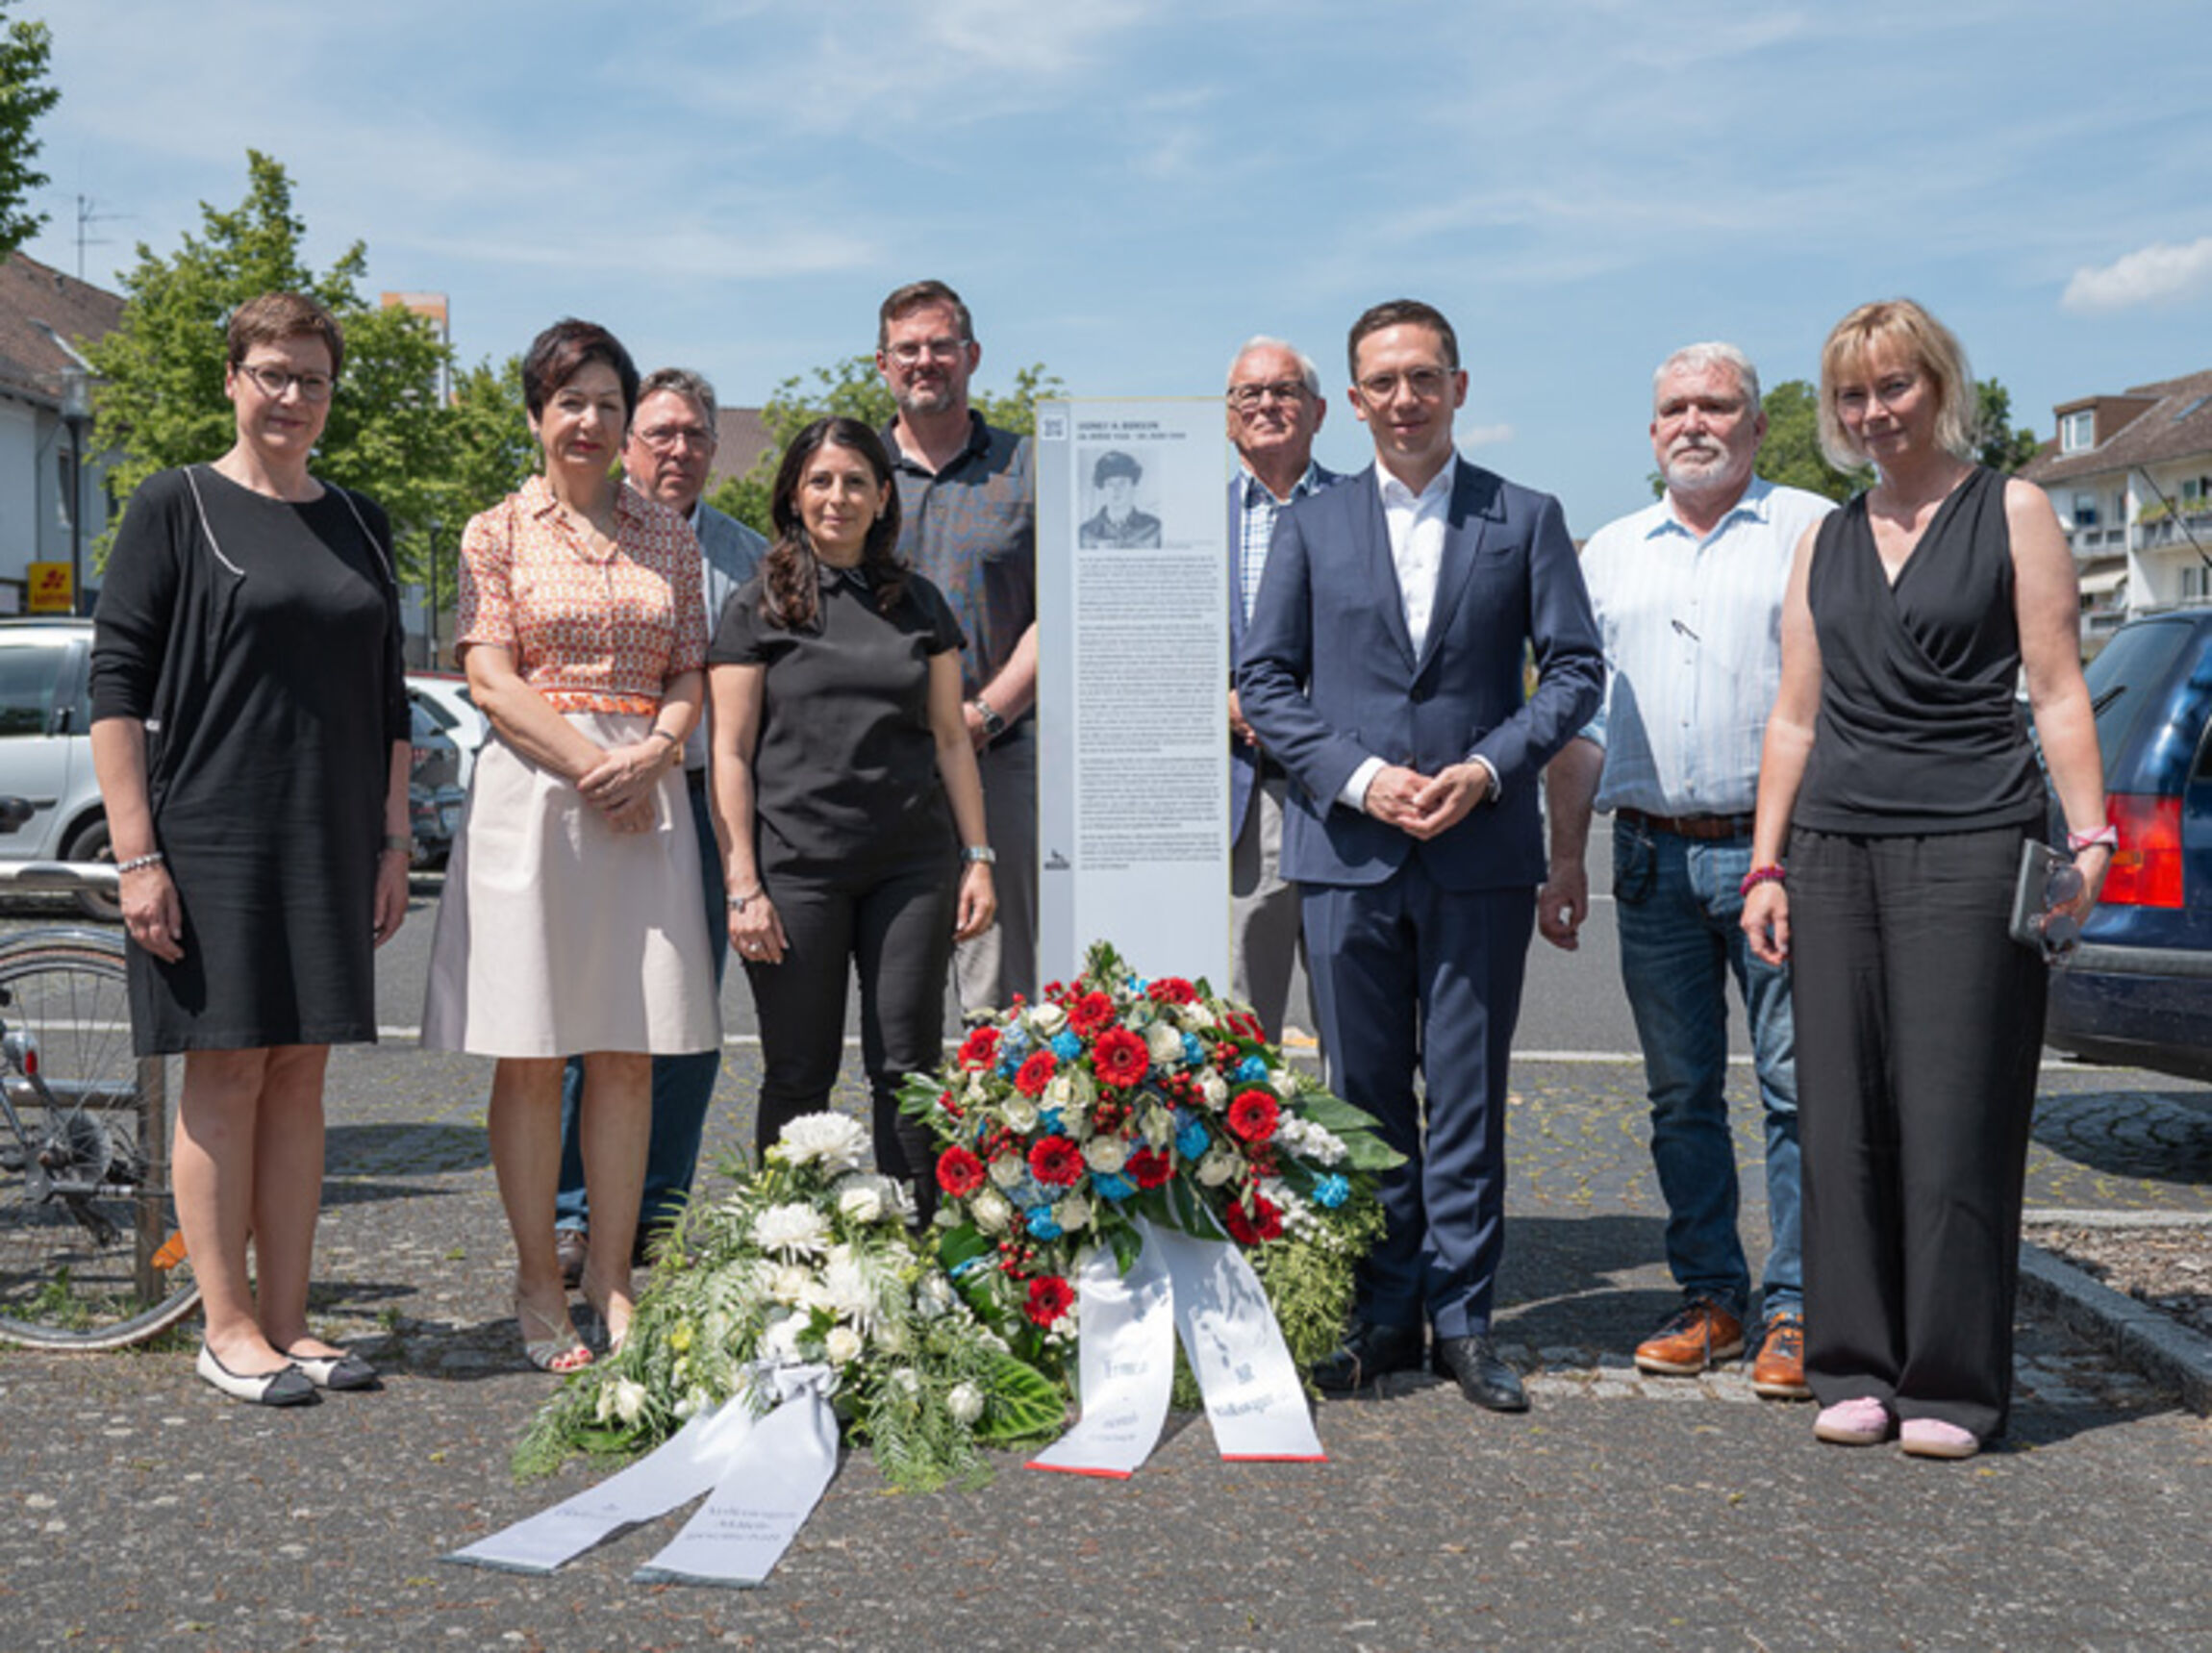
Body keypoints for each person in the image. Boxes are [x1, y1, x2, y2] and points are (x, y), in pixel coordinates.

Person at [1742, 299, 2108, 1460]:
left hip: (1971, 837)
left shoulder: (2012, 509)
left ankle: (1950, 1383)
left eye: (1892, 387)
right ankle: (1851, 1365)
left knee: (1955, 1113)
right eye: (1851, 395)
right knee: (1840, 1113)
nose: (1871, 412)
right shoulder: (1825, 536)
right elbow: (1794, 715)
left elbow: (2053, 688)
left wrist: (2089, 843)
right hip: (1834, 845)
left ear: (1936, 384)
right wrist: (1765, 861)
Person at [1239, 299, 1603, 1413]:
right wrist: (1358, 777)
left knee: (1464, 1093)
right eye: (1380, 383)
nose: (1402, 399)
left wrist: (1487, 770)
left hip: (1477, 851)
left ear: (1456, 386)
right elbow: (1265, 684)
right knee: (1359, 1099)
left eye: (1421, 378)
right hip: (1346, 850)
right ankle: (1380, 1314)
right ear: (1350, 401)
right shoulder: (1308, 524)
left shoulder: (1524, 516)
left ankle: (1461, 1319)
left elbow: (1577, 673)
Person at [89, 291, 411, 1406]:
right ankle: (224, 1328)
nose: (292, 397)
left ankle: (290, 1320)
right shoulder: (175, 506)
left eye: (312, 379)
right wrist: (138, 857)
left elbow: (389, 703)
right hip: (214, 827)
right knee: (225, 1069)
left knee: (302, 1073)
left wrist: (390, 839)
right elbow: (115, 688)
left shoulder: (361, 519)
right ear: (233, 379)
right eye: (272, 373)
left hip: (329, 832)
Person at [1537, 343, 1834, 1399]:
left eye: (1716, 406)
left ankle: (1798, 1308)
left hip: (1779, 861)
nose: (1693, 423)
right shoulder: (1608, 553)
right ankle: (1711, 1295)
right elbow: (1577, 723)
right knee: (1678, 1098)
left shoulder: (1809, 529)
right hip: (1651, 858)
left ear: (1755, 426)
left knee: (1799, 1093)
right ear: (1650, 430)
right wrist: (1566, 856)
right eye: (1673, 408)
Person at [422, 319, 718, 1373]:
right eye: (568, 401)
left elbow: (690, 668)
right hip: (539, 798)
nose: (588, 420)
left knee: (629, 1051)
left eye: (605, 402)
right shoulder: (495, 530)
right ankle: (538, 1278)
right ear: (537, 415)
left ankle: (614, 1276)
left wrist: (656, 753)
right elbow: (492, 677)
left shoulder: (669, 536)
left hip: (645, 791)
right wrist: (596, 769)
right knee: (536, 1052)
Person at [708, 416, 995, 1217]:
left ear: (882, 497)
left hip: (911, 868)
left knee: (906, 1065)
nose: (839, 497)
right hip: (795, 870)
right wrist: (743, 884)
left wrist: (979, 857)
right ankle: (787, 1253)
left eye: (856, 481)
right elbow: (728, 751)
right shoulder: (755, 607)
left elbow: (949, 738)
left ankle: (914, 1252)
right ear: (795, 495)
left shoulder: (919, 603)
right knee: (798, 1068)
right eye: (822, 481)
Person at [552, 368, 767, 1290]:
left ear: (716, 449)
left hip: (697, 800)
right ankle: (571, 1212)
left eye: (695, 436)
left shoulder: (752, 557)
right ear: (627, 442)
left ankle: (656, 1211)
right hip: (592, 796)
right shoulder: (582, 536)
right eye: (661, 433)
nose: (678, 451)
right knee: (582, 1019)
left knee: (686, 1020)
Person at [875, 280, 1035, 1014]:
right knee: (892, 996)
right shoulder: (851, 474)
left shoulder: (1028, 468)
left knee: (998, 998)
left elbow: (1060, 613)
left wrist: (984, 716)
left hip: (997, 756)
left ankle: (998, 1136)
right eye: (908, 348)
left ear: (971, 355)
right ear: (883, 363)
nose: (925, 360)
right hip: (880, 763)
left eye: (941, 345)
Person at [1224, 337, 1341, 1042]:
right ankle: (1246, 1158)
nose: (1267, 403)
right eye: (1250, 393)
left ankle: (1356, 1156)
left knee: (1355, 1012)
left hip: (1343, 795)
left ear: (1320, 410)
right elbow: (1155, 641)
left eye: (1286, 390)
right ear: (1228, 415)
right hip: (1242, 794)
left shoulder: (1367, 510)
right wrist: (1222, 700)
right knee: (1239, 1027)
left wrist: (1303, 717)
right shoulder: (1184, 524)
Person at [1078, 450, 1163, 547]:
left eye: (1122, 483)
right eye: (1110, 484)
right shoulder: (1085, 533)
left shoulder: (1154, 528)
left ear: (1134, 485)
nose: (1116, 489)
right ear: (1102, 488)